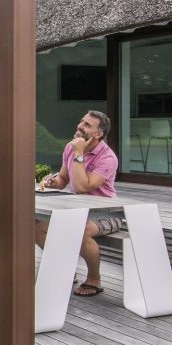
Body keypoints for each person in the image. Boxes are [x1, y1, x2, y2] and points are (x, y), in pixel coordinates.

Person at [35, 110, 121, 297]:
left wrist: (79, 155)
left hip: (106, 213)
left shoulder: (107, 157)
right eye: (82, 122)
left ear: (99, 134)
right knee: (37, 225)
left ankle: (94, 279)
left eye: (87, 125)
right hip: (77, 210)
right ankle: (64, 269)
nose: (80, 126)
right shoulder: (71, 148)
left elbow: (83, 187)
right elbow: (64, 179)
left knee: (78, 230)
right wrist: (53, 181)